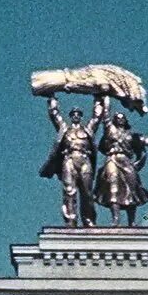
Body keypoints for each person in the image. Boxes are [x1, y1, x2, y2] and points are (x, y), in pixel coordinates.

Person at [92, 109, 148, 227]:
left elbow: (144, 141)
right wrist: (105, 96)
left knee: (131, 189)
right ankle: (116, 219)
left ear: (125, 120)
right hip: (112, 159)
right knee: (113, 187)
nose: (120, 120)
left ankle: (131, 221)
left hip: (126, 162)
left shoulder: (131, 135)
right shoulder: (110, 130)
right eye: (117, 118)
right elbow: (106, 116)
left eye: (122, 118)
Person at [40, 94, 105, 227]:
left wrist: (98, 99)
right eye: (73, 114)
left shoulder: (87, 130)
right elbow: (55, 115)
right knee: (69, 191)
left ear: (81, 116)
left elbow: (97, 117)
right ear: (71, 116)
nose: (76, 116)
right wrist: (52, 98)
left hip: (84, 160)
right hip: (69, 160)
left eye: (78, 114)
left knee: (87, 192)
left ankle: (89, 220)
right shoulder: (65, 129)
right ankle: (71, 220)